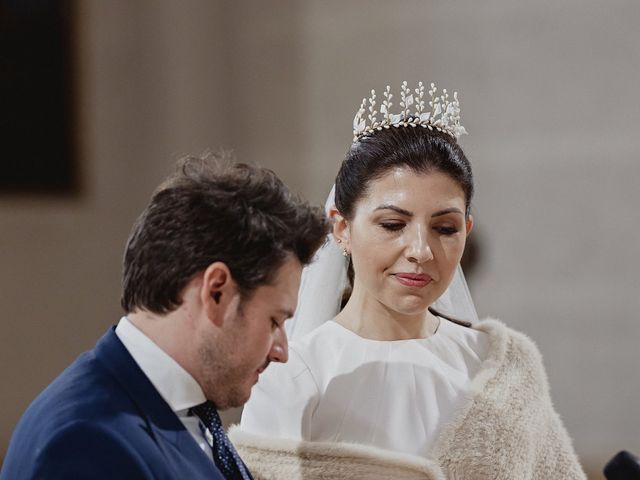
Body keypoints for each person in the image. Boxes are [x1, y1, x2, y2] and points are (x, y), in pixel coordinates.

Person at [231, 82, 587, 479]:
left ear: (467, 230)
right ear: (342, 229)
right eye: (393, 224)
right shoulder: (293, 374)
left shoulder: (498, 366)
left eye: (445, 228)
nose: (421, 250)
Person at [0, 154, 328, 480]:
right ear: (217, 292)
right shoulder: (85, 444)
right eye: (274, 321)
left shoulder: (188, 410)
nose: (281, 351)